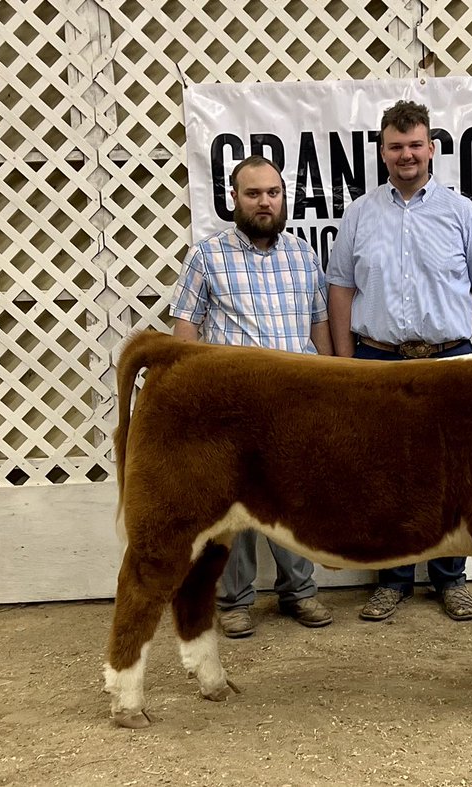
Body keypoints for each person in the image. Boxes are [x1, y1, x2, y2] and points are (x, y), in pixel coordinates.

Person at [327, 99, 472, 623]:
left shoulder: (460, 213)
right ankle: (392, 579)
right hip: (376, 362)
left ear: (431, 148)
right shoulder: (360, 213)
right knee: (384, 474)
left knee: (451, 474)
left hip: (450, 363)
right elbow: (340, 289)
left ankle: (450, 581)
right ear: (382, 152)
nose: (406, 155)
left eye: (415, 145)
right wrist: (344, 364)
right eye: (396, 146)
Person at [168, 155, 334, 637]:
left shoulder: (303, 256)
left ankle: (299, 593)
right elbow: (186, 329)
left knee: (294, 502)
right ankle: (235, 600)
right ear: (234, 199)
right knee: (233, 509)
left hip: (295, 406)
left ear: (284, 198)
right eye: (253, 193)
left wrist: (327, 387)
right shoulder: (206, 257)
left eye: (273, 193)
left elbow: (319, 326)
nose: (265, 202)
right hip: (232, 408)